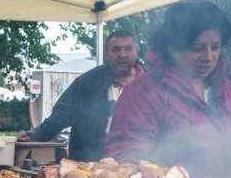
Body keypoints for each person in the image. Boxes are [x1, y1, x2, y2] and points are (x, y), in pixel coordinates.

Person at [104, 1, 231, 178]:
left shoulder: (224, 88)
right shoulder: (144, 92)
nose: (209, 56)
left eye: (215, 46)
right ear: (172, 47)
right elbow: (124, 157)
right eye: (197, 48)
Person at [17, 30, 144, 162]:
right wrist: (37, 134)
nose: (122, 55)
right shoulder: (87, 83)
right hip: (91, 165)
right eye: (116, 49)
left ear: (137, 51)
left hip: (139, 163)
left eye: (128, 48)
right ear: (106, 53)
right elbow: (61, 114)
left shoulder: (150, 85)